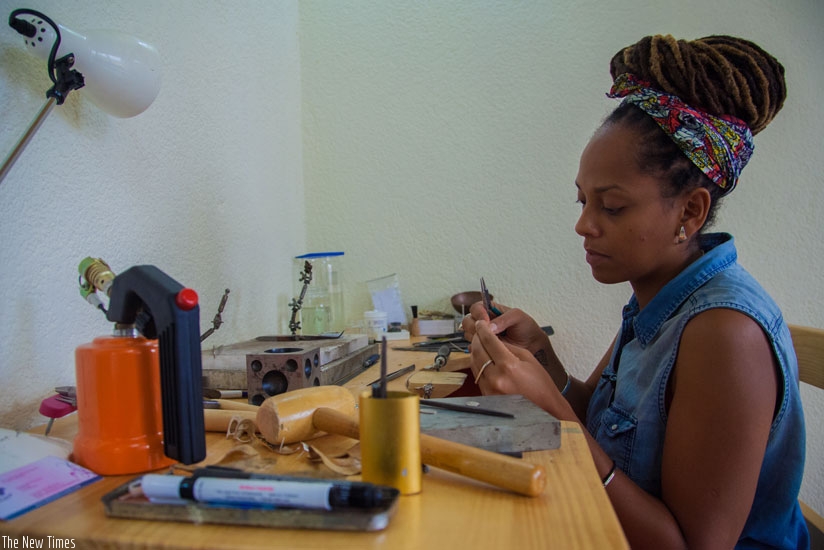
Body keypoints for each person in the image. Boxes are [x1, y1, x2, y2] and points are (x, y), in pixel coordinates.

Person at [462, 34, 808, 549]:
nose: (584, 225)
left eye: (612, 206)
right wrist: (543, 359)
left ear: (689, 211)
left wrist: (556, 421)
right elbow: (604, 424)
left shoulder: (725, 333)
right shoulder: (659, 300)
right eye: (582, 201)